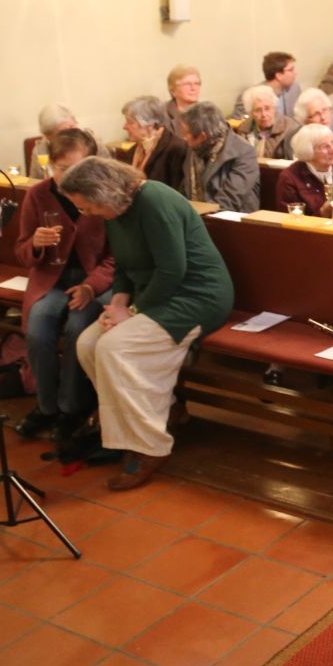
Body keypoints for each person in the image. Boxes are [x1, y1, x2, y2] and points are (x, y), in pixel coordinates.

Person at [62, 157, 233, 490]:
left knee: (113, 347)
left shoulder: (154, 199)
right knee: (87, 344)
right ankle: (165, 410)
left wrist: (135, 310)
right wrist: (118, 301)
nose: (88, 214)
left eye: (88, 207)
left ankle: (150, 446)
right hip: (155, 296)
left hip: (196, 296)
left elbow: (173, 270)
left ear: (105, 193)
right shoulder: (116, 211)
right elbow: (123, 265)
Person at [11, 128, 113, 439]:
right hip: (51, 280)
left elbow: (116, 259)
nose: (66, 176)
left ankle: (71, 408)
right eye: (60, 168)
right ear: (50, 166)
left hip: (93, 282)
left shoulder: (103, 197)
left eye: (75, 169)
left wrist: (91, 286)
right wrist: (37, 244)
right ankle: (46, 406)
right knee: (39, 327)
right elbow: (22, 251)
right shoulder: (38, 194)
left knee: (76, 328)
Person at [177, 103, 260, 213]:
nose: (183, 137)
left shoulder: (244, 153)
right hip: (197, 215)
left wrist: (195, 216)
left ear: (203, 136)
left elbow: (229, 200)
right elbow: (184, 189)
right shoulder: (195, 149)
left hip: (231, 221)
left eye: (186, 134)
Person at [276, 123, 333, 218]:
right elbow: (291, 223)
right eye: (325, 146)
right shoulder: (290, 178)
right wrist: (323, 212)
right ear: (308, 150)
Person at [117, 96, 188, 191]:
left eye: (130, 122)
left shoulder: (177, 148)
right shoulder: (133, 150)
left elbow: (176, 192)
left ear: (150, 125)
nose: (124, 127)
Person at [236, 84, 299, 159]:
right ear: (251, 113)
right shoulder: (244, 130)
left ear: (274, 108)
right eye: (258, 110)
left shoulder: (291, 128)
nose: (264, 114)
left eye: (267, 108)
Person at [232, 52, 300, 120]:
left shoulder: (294, 89)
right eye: (291, 70)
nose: (295, 73)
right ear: (279, 75)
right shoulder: (251, 96)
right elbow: (238, 124)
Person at [164, 65, 202, 133]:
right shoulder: (161, 115)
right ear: (173, 90)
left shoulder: (207, 114)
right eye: (188, 84)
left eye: (196, 83)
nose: (193, 88)